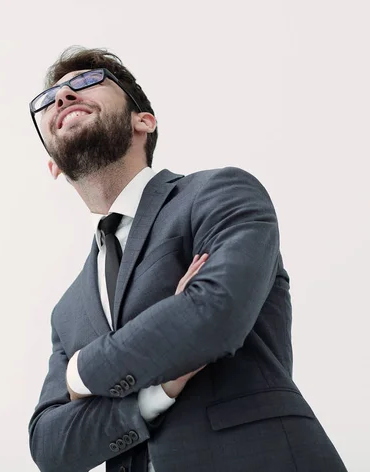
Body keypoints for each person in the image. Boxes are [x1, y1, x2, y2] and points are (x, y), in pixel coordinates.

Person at [27, 47, 347, 472]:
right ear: (53, 165)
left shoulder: (220, 193)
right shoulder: (68, 311)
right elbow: (49, 446)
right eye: (48, 102)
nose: (63, 98)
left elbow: (216, 313)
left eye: (86, 82)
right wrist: (156, 390)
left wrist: (80, 372)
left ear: (144, 120)